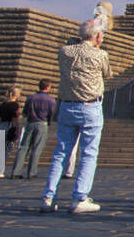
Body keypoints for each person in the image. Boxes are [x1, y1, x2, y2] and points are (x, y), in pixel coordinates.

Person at [40, 18, 111, 213]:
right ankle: (79, 197)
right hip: (90, 107)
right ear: (97, 36)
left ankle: (48, 197)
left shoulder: (64, 52)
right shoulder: (100, 55)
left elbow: (71, 51)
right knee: (88, 153)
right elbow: (107, 74)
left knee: (61, 152)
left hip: (67, 107)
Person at [11, 80, 56, 179]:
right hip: (42, 124)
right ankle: (31, 173)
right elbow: (51, 114)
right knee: (36, 149)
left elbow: (25, 112)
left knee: (23, 147)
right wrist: (47, 122)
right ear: (48, 87)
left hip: (30, 123)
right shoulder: (51, 100)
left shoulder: (30, 98)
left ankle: (15, 172)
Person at [0, 87, 23, 178]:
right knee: (6, 150)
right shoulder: (15, 105)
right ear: (17, 95)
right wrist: (16, 130)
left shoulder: (3, 104)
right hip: (10, 126)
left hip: (2, 126)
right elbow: (15, 119)